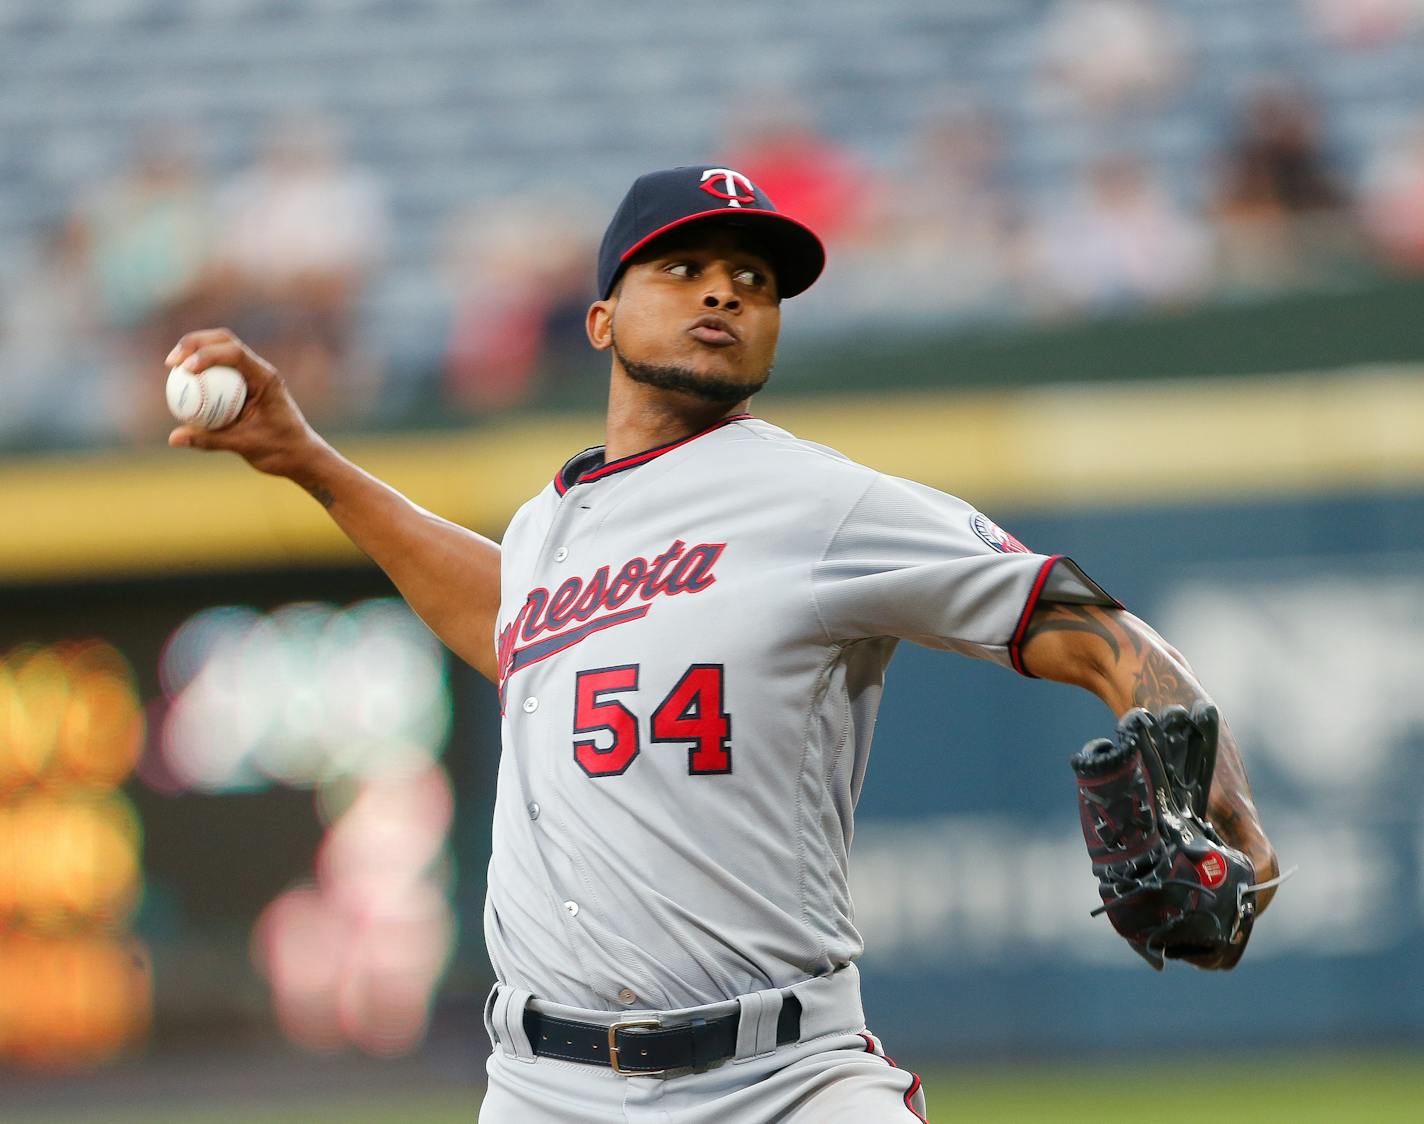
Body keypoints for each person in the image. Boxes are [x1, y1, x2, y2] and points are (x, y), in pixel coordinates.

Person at [166, 164, 1280, 1123]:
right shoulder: (549, 525)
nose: (724, 291)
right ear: (599, 319)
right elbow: (511, 626)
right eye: (683, 266)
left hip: (782, 1076)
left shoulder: (817, 501)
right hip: (544, 1084)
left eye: (754, 281)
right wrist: (308, 458)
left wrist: (1217, 787)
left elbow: (1081, 621)